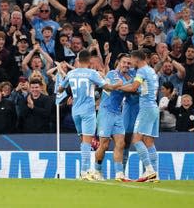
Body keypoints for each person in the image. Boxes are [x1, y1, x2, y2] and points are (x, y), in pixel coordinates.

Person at [57, 50, 116, 181]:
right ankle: (84, 172)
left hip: (75, 111)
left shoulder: (71, 73)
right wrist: (116, 86)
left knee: (83, 141)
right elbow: (106, 87)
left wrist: (61, 82)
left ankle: (85, 170)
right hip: (88, 111)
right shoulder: (92, 73)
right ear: (89, 61)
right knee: (87, 142)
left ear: (78, 60)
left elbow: (60, 89)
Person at [119, 50, 160, 182]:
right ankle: (154, 174)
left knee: (136, 140)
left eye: (131, 59)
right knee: (149, 142)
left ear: (136, 59)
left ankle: (149, 170)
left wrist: (117, 87)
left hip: (146, 108)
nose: (131, 62)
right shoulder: (151, 71)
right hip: (154, 107)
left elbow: (133, 88)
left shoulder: (141, 71)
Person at [94, 54, 130, 181]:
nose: (126, 65)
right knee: (104, 145)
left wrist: (126, 86)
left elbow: (126, 88)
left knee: (121, 143)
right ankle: (97, 171)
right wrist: (128, 87)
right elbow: (113, 88)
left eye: (128, 63)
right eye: (124, 62)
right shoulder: (111, 74)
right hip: (105, 112)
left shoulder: (128, 78)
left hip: (117, 114)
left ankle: (119, 174)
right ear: (119, 63)